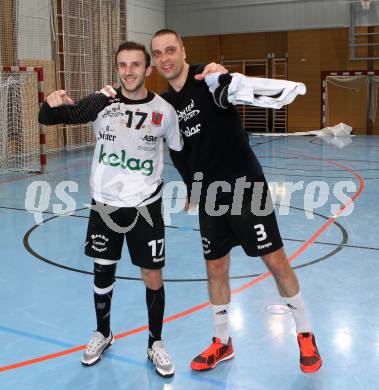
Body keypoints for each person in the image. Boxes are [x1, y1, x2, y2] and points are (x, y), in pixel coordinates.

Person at [150, 29, 322, 374]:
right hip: (211, 195)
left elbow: (234, 88)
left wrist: (225, 76)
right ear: (154, 61)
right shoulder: (167, 105)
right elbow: (180, 153)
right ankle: (222, 342)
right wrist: (191, 186)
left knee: (275, 261)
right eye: (158, 54)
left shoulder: (209, 80)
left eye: (171, 49)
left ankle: (305, 334)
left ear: (183, 50)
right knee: (215, 266)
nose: (165, 58)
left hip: (246, 187)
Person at [38, 41, 184, 378]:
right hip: (105, 205)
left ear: (148, 69)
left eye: (136, 65)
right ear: (117, 69)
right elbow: (52, 118)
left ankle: (155, 343)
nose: (129, 71)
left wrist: (197, 184)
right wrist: (50, 102)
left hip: (146, 206)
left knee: (152, 275)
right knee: (103, 270)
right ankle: (102, 333)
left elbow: (182, 153)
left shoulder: (164, 111)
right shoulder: (102, 103)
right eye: (123, 65)